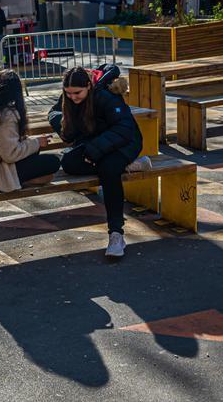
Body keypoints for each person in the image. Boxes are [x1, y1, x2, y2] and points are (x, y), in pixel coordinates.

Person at [49, 66, 150, 260]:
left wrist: (94, 151)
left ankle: (116, 233)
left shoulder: (105, 96)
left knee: (108, 170)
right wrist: (65, 120)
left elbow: (125, 128)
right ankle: (131, 166)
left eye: (77, 93)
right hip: (96, 142)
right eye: (68, 94)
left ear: (88, 86)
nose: (73, 97)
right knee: (69, 163)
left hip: (125, 142)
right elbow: (53, 113)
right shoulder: (70, 96)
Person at [0, 69, 59, 192]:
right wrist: (37, 143)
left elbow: (6, 146)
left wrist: (34, 143)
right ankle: (19, 181)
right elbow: (10, 154)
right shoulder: (6, 114)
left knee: (40, 163)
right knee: (53, 162)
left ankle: (22, 180)